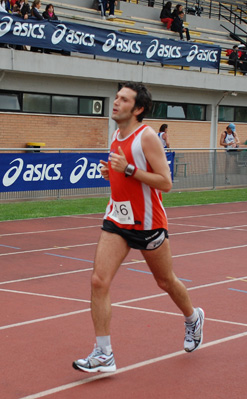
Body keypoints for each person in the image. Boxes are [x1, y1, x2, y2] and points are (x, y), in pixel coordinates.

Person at [72, 82, 205, 373]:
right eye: (116, 97)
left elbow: (166, 183)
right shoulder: (116, 135)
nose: (115, 102)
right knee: (98, 281)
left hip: (147, 223)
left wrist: (128, 170)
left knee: (165, 281)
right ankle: (104, 354)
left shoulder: (147, 138)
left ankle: (193, 317)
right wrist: (112, 174)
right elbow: (123, 177)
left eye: (123, 99)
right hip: (117, 219)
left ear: (139, 108)